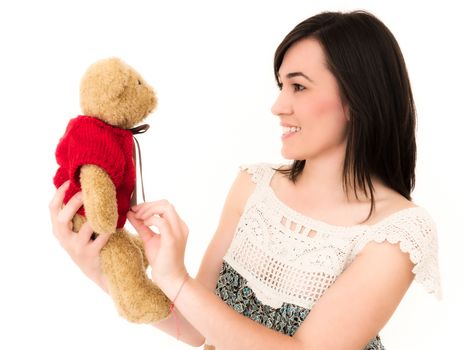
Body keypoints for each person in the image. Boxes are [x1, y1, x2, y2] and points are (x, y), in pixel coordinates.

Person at [49, 10, 442, 350]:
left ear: (357, 100)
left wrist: (177, 279)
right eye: (281, 85)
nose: (278, 105)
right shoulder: (254, 186)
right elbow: (194, 329)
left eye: (299, 86)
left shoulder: (399, 230)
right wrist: (96, 267)